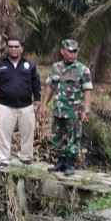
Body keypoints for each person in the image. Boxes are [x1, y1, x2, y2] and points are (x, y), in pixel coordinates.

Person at [0, 36, 41, 168]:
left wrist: (37, 99)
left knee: (28, 132)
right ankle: (4, 158)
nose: (13, 49)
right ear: (6, 48)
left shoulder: (29, 65)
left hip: (26, 105)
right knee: (4, 132)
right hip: (5, 105)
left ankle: (25, 157)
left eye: (16, 46)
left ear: (21, 49)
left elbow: (36, 82)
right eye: (11, 47)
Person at [39, 39, 93, 174]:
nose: (73, 54)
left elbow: (87, 90)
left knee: (73, 136)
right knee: (58, 136)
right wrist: (44, 104)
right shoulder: (56, 67)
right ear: (62, 51)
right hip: (58, 109)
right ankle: (60, 162)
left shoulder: (82, 69)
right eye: (70, 51)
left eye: (75, 51)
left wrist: (87, 110)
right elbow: (51, 86)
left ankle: (70, 164)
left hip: (74, 111)